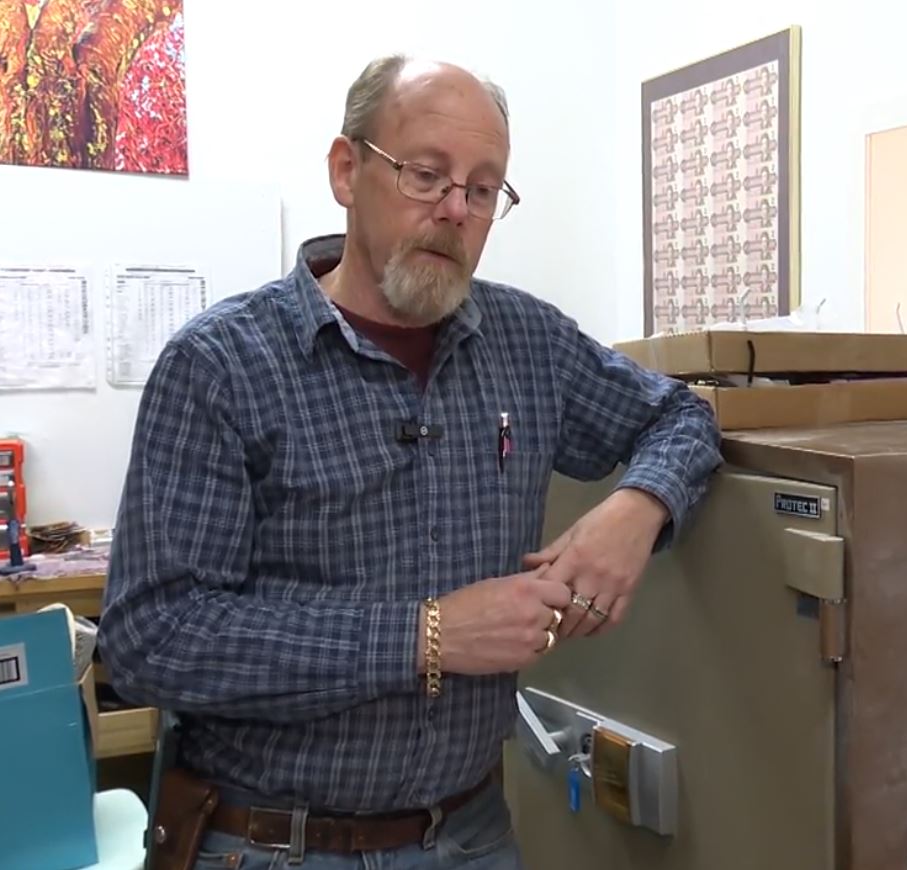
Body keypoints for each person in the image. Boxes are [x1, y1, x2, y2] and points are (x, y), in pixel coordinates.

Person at [98, 54, 722, 869]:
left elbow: (685, 416)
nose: (456, 210)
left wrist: (636, 511)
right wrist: (427, 636)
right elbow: (152, 640)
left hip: (471, 834)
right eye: (426, 175)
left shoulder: (527, 343)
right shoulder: (222, 365)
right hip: (273, 843)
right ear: (346, 171)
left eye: (483, 189)